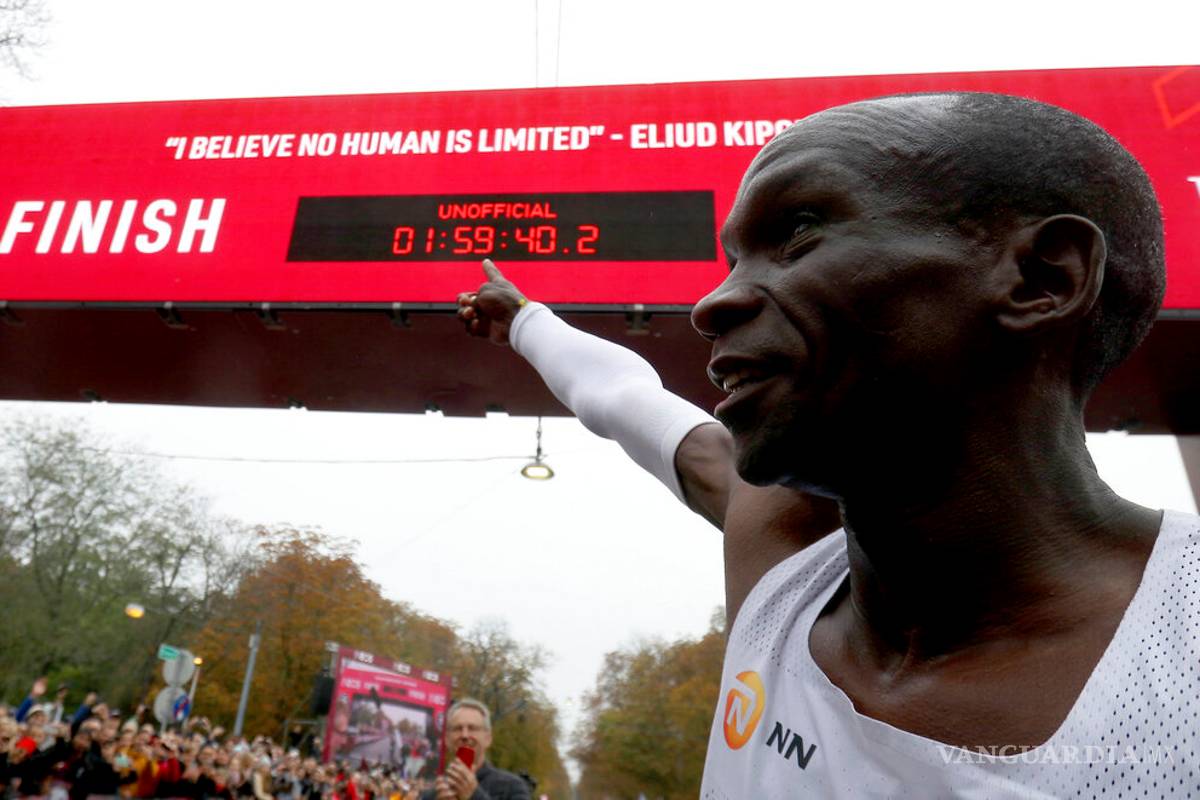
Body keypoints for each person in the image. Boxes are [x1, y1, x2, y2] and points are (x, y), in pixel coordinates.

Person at [459, 91, 1199, 796]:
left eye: (800, 229)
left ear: (1043, 275)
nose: (713, 304)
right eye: (731, 260)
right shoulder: (780, 564)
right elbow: (626, 402)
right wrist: (524, 320)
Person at [420, 699, 529, 800]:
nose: (465, 735)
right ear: (447, 739)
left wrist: (474, 796)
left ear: (488, 739)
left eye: (472, 728)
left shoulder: (512, 787)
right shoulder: (432, 794)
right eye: (457, 728)